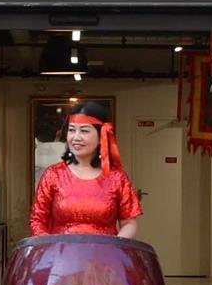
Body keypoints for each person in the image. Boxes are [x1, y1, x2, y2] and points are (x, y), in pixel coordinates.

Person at [30, 101, 143, 237]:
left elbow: (129, 223)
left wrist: (114, 246)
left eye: (84, 131)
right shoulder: (53, 175)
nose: (76, 137)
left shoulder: (117, 178)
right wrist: (52, 247)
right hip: (61, 250)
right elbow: (37, 221)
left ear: (101, 136)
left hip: (105, 251)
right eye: (72, 130)